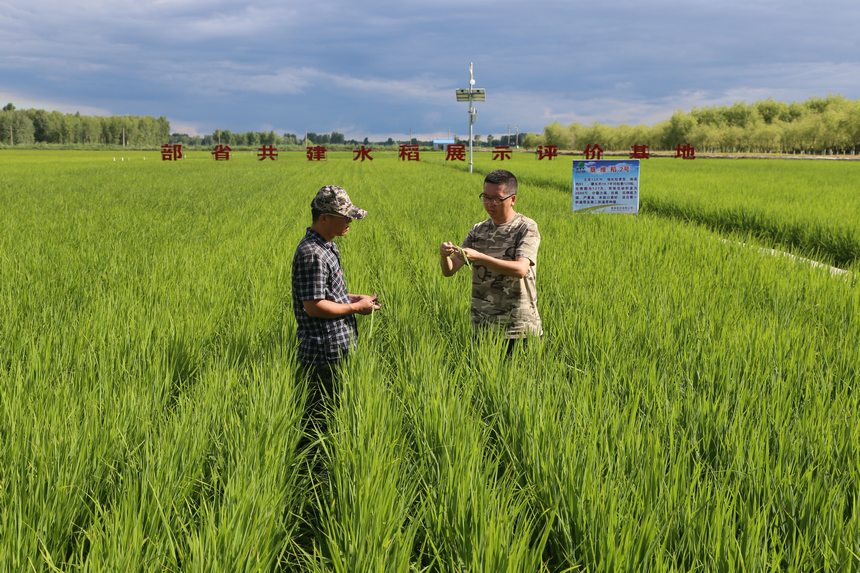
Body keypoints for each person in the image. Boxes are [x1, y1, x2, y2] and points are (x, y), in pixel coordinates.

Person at [292, 184, 380, 431]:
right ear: (324, 218)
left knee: (337, 408)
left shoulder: (327, 246)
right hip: (324, 351)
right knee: (323, 415)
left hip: (336, 346)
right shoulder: (313, 254)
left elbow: (326, 293)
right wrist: (355, 308)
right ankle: (317, 462)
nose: (350, 220)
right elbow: (314, 306)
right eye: (345, 216)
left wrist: (352, 298)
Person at [439, 169, 542, 355]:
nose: (490, 204)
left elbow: (520, 269)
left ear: (513, 199)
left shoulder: (526, 228)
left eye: (497, 199)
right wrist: (443, 256)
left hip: (518, 327)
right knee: (487, 382)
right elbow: (450, 270)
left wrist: (480, 257)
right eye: (486, 197)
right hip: (483, 326)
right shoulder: (479, 230)